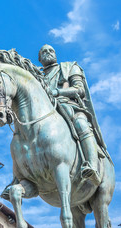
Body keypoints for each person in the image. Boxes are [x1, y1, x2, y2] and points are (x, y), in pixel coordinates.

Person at [38, 44, 104, 184]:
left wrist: (58, 92)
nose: (48, 53)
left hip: (69, 107)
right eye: (44, 52)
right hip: (45, 111)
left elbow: (80, 90)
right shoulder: (38, 76)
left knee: (81, 123)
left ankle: (92, 166)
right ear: (39, 58)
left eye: (51, 50)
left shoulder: (69, 67)